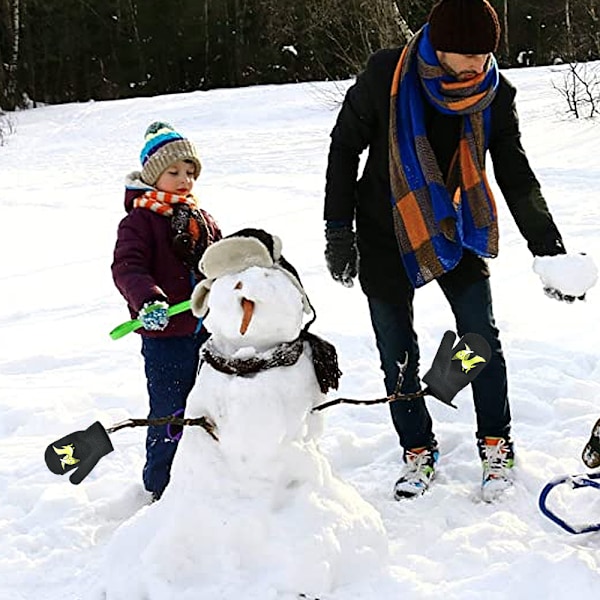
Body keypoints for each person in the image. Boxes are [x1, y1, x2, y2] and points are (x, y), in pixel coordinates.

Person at [323, 0, 597, 501]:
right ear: (438, 44)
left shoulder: (494, 93)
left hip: (454, 223)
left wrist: (549, 249)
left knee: (480, 338)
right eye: (465, 55)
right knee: (396, 352)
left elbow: (514, 171)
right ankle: (417, 449)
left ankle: (495, 441)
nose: (477, 65)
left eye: (485, 54)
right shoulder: (388, 74)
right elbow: (344, 147)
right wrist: (337, 228)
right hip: (386, 227)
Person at [112, 121, 221, 500]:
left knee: (211, 405)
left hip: (208, 332)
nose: (184, 179)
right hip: (166, 337)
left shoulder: (201, 219)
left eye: (189, 172)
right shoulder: (139, 221)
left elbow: (218, 263)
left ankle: (210, 476)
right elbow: (127, 267)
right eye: (174, 172)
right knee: (171, 411)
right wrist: (149, 300)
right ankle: (162, 486)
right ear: (153, 175)